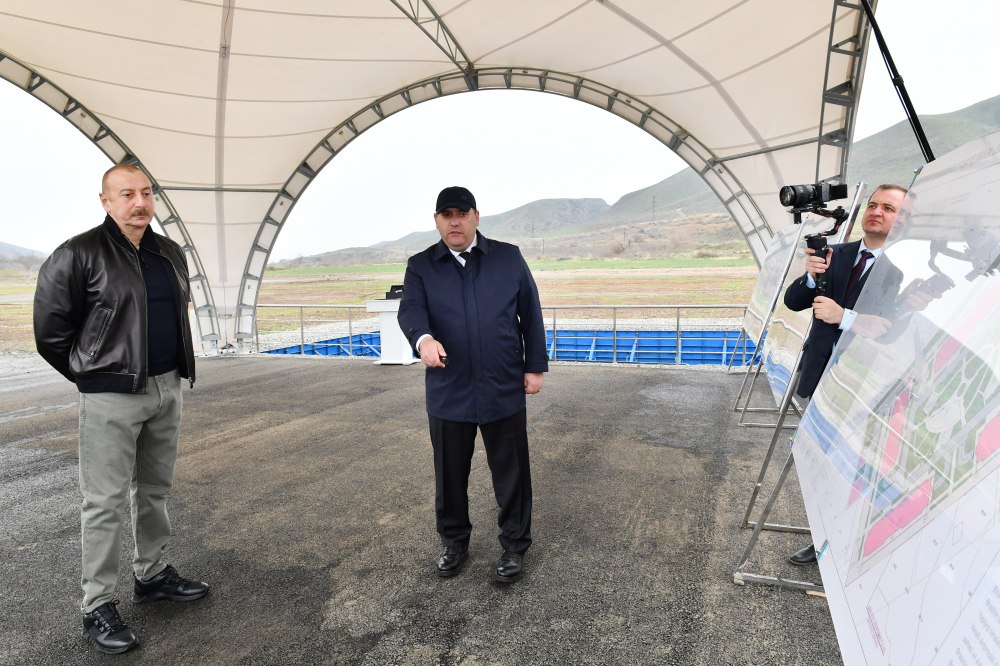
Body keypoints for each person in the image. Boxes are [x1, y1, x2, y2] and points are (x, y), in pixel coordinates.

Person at [33, 164, 208, 654]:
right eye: (127, 193)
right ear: (106, 200)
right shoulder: (77, 253)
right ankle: (97, 606)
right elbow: (51, 332)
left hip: (166, 386)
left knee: (155, 490)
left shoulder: (169, 252)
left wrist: (170, 376)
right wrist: (92, 374)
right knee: (104, 502)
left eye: (146, 192)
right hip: (110, 394)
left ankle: (151, 575)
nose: (139, 202)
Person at [397, 186, 548, 583]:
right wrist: (423, 339)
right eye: (446, 215)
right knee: (449, 474)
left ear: (476, 217)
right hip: (449, 390)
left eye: (461, 213)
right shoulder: (421, 265)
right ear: (437, 222)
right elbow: (411, 310)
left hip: (502, 385)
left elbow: (530, 312)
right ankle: (454, 542)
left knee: (511, 471)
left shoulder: (507, 257)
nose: (454, 221)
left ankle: (514, 546)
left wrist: (534, 367)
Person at [782, 183, 907, 566]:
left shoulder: (901, 272)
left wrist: (845, 317)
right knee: (818, 461)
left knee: (850, 468)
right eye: (873, 204)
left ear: (902, 220)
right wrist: (809, 276)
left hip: (863, 383)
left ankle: (844, 545)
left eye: (889, 208)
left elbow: (894, 328)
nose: (877, 211)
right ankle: (820, 537)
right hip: (820, 375)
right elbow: (794, 301)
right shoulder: (838, 253)